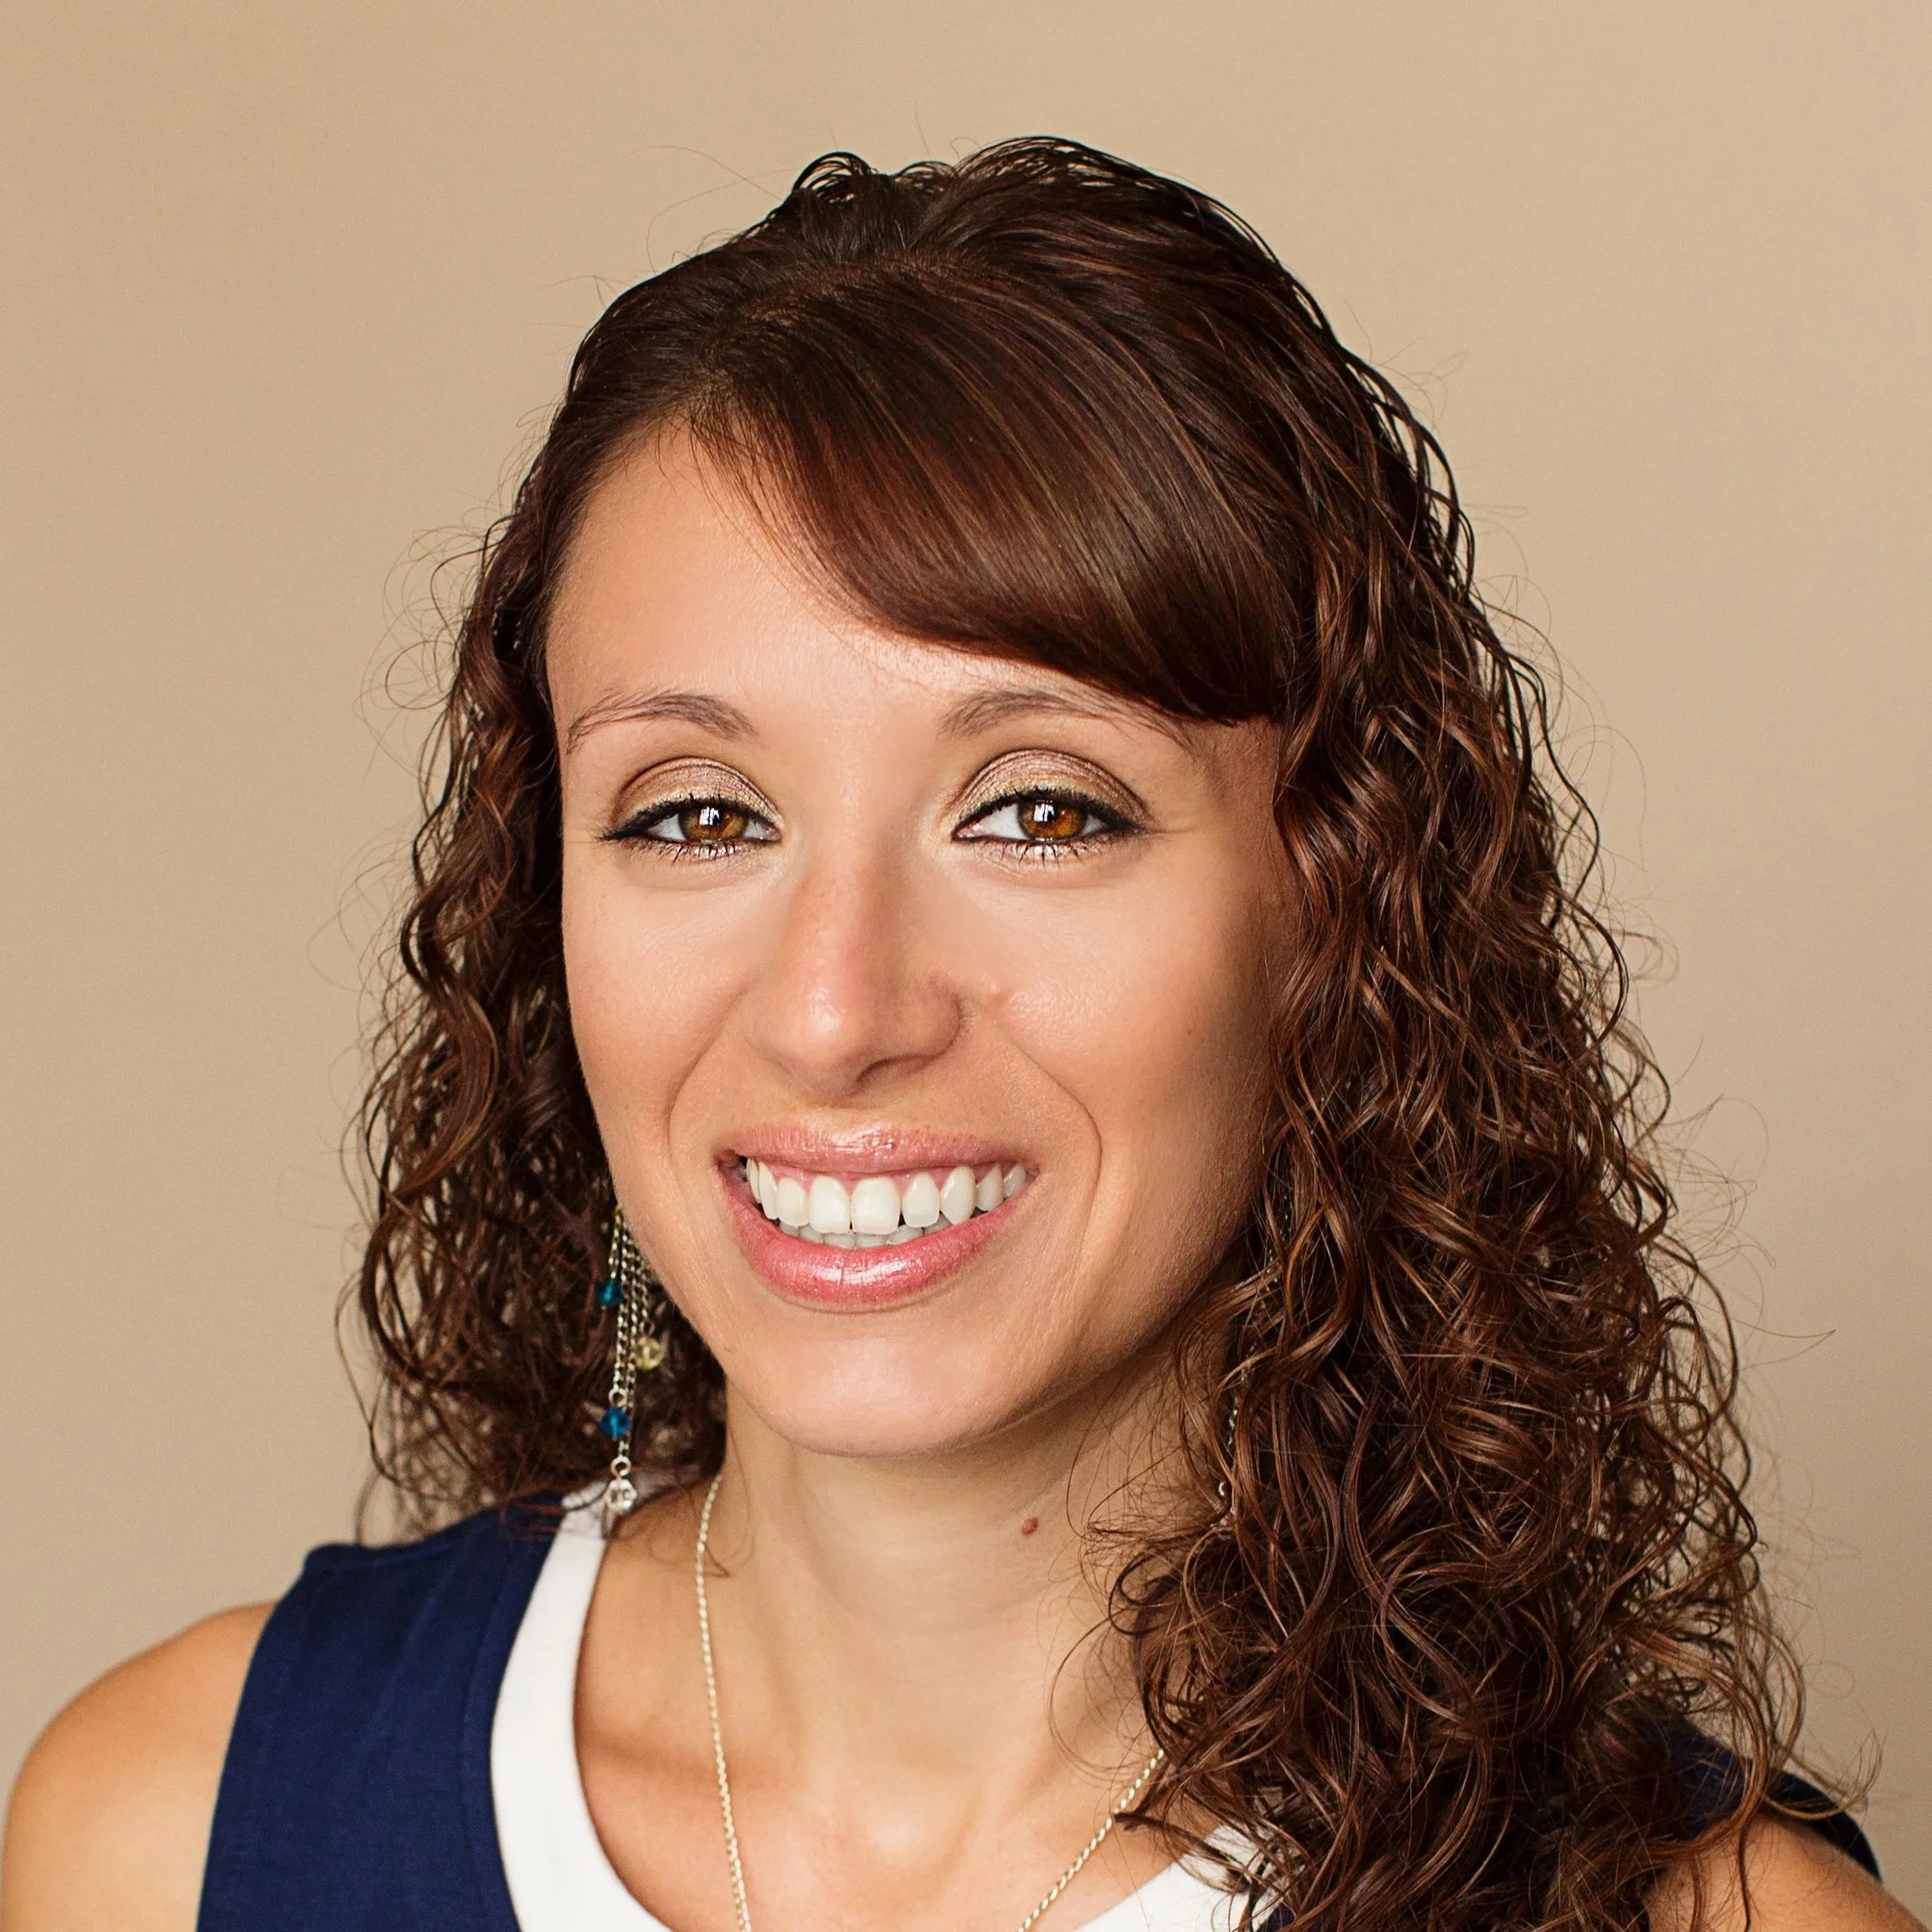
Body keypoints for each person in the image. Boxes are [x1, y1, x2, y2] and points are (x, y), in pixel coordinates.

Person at [2, 140, 1917, 1932]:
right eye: (695, 812)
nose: (835, 1011)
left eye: (1039, 809)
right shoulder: (163, 1836)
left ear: (1338, 908)